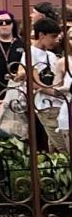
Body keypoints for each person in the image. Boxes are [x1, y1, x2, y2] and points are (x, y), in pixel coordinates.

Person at [21, 17, 69, 153]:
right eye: (52, 36)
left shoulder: (51, 55)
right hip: (46, 105)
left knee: (54, 146)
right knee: (63, 147)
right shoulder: (30, 53)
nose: (55, 40)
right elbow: (34, 82)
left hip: (58, 104)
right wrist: (56, 92)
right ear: (41, 35)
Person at [0, 11, 26, 100]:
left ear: (13, 24)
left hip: (18, 90)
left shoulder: (22, 44)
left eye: (8, 21)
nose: (4, 24)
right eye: (0, 22)